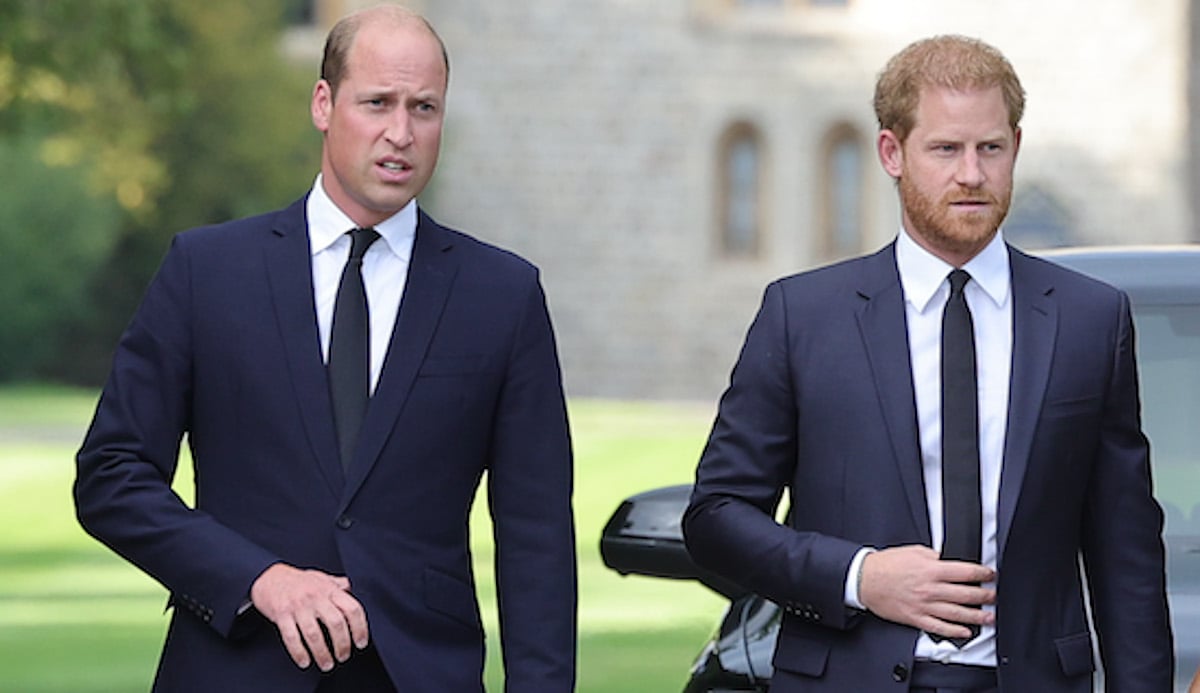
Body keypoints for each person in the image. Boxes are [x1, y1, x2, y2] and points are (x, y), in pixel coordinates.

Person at [73, 5, 576, 692]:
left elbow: (537, 538)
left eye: (424, 107)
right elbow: (112, 476)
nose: (401, 132)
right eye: (377, 103)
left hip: (418, 674)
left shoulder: (504, 294)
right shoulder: (206, 270)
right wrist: (261, 579)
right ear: (323, 102)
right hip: (233, 666)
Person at [683, 35, 1172, 692]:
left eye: (990, 148)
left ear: (1015, 149)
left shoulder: (1089, 319)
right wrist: (861, 576)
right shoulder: (802, 315)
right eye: (945, 148)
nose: (971, 174)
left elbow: (1126, 552)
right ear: (892, 152)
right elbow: (716, 515)